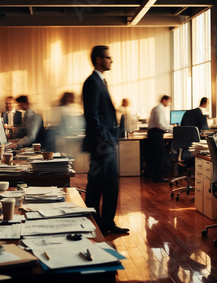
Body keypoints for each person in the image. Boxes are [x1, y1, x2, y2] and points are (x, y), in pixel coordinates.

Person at [82, 45, 128, 235]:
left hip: (107, 144)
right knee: (96, 186)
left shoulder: (101, 81)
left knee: (111, 186)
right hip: (101, 144)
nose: (112, 61)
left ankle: (107, 222)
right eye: (109, 58)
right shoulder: (92, 82)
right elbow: (91, 115)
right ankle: (93, 224)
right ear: (99, 59)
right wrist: (104, 139)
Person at [144, 95, 172, 183]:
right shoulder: (158, 110)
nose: (169, 103)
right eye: (168, 101)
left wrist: (169, 129)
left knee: (153, 155)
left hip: (154, 133)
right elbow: (160, 124)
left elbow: (163, 124)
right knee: (161, 155)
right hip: (155, 133)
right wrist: (170, 130)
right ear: (164, 100)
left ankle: (147, 173)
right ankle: (158, 177)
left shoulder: (159, 109)